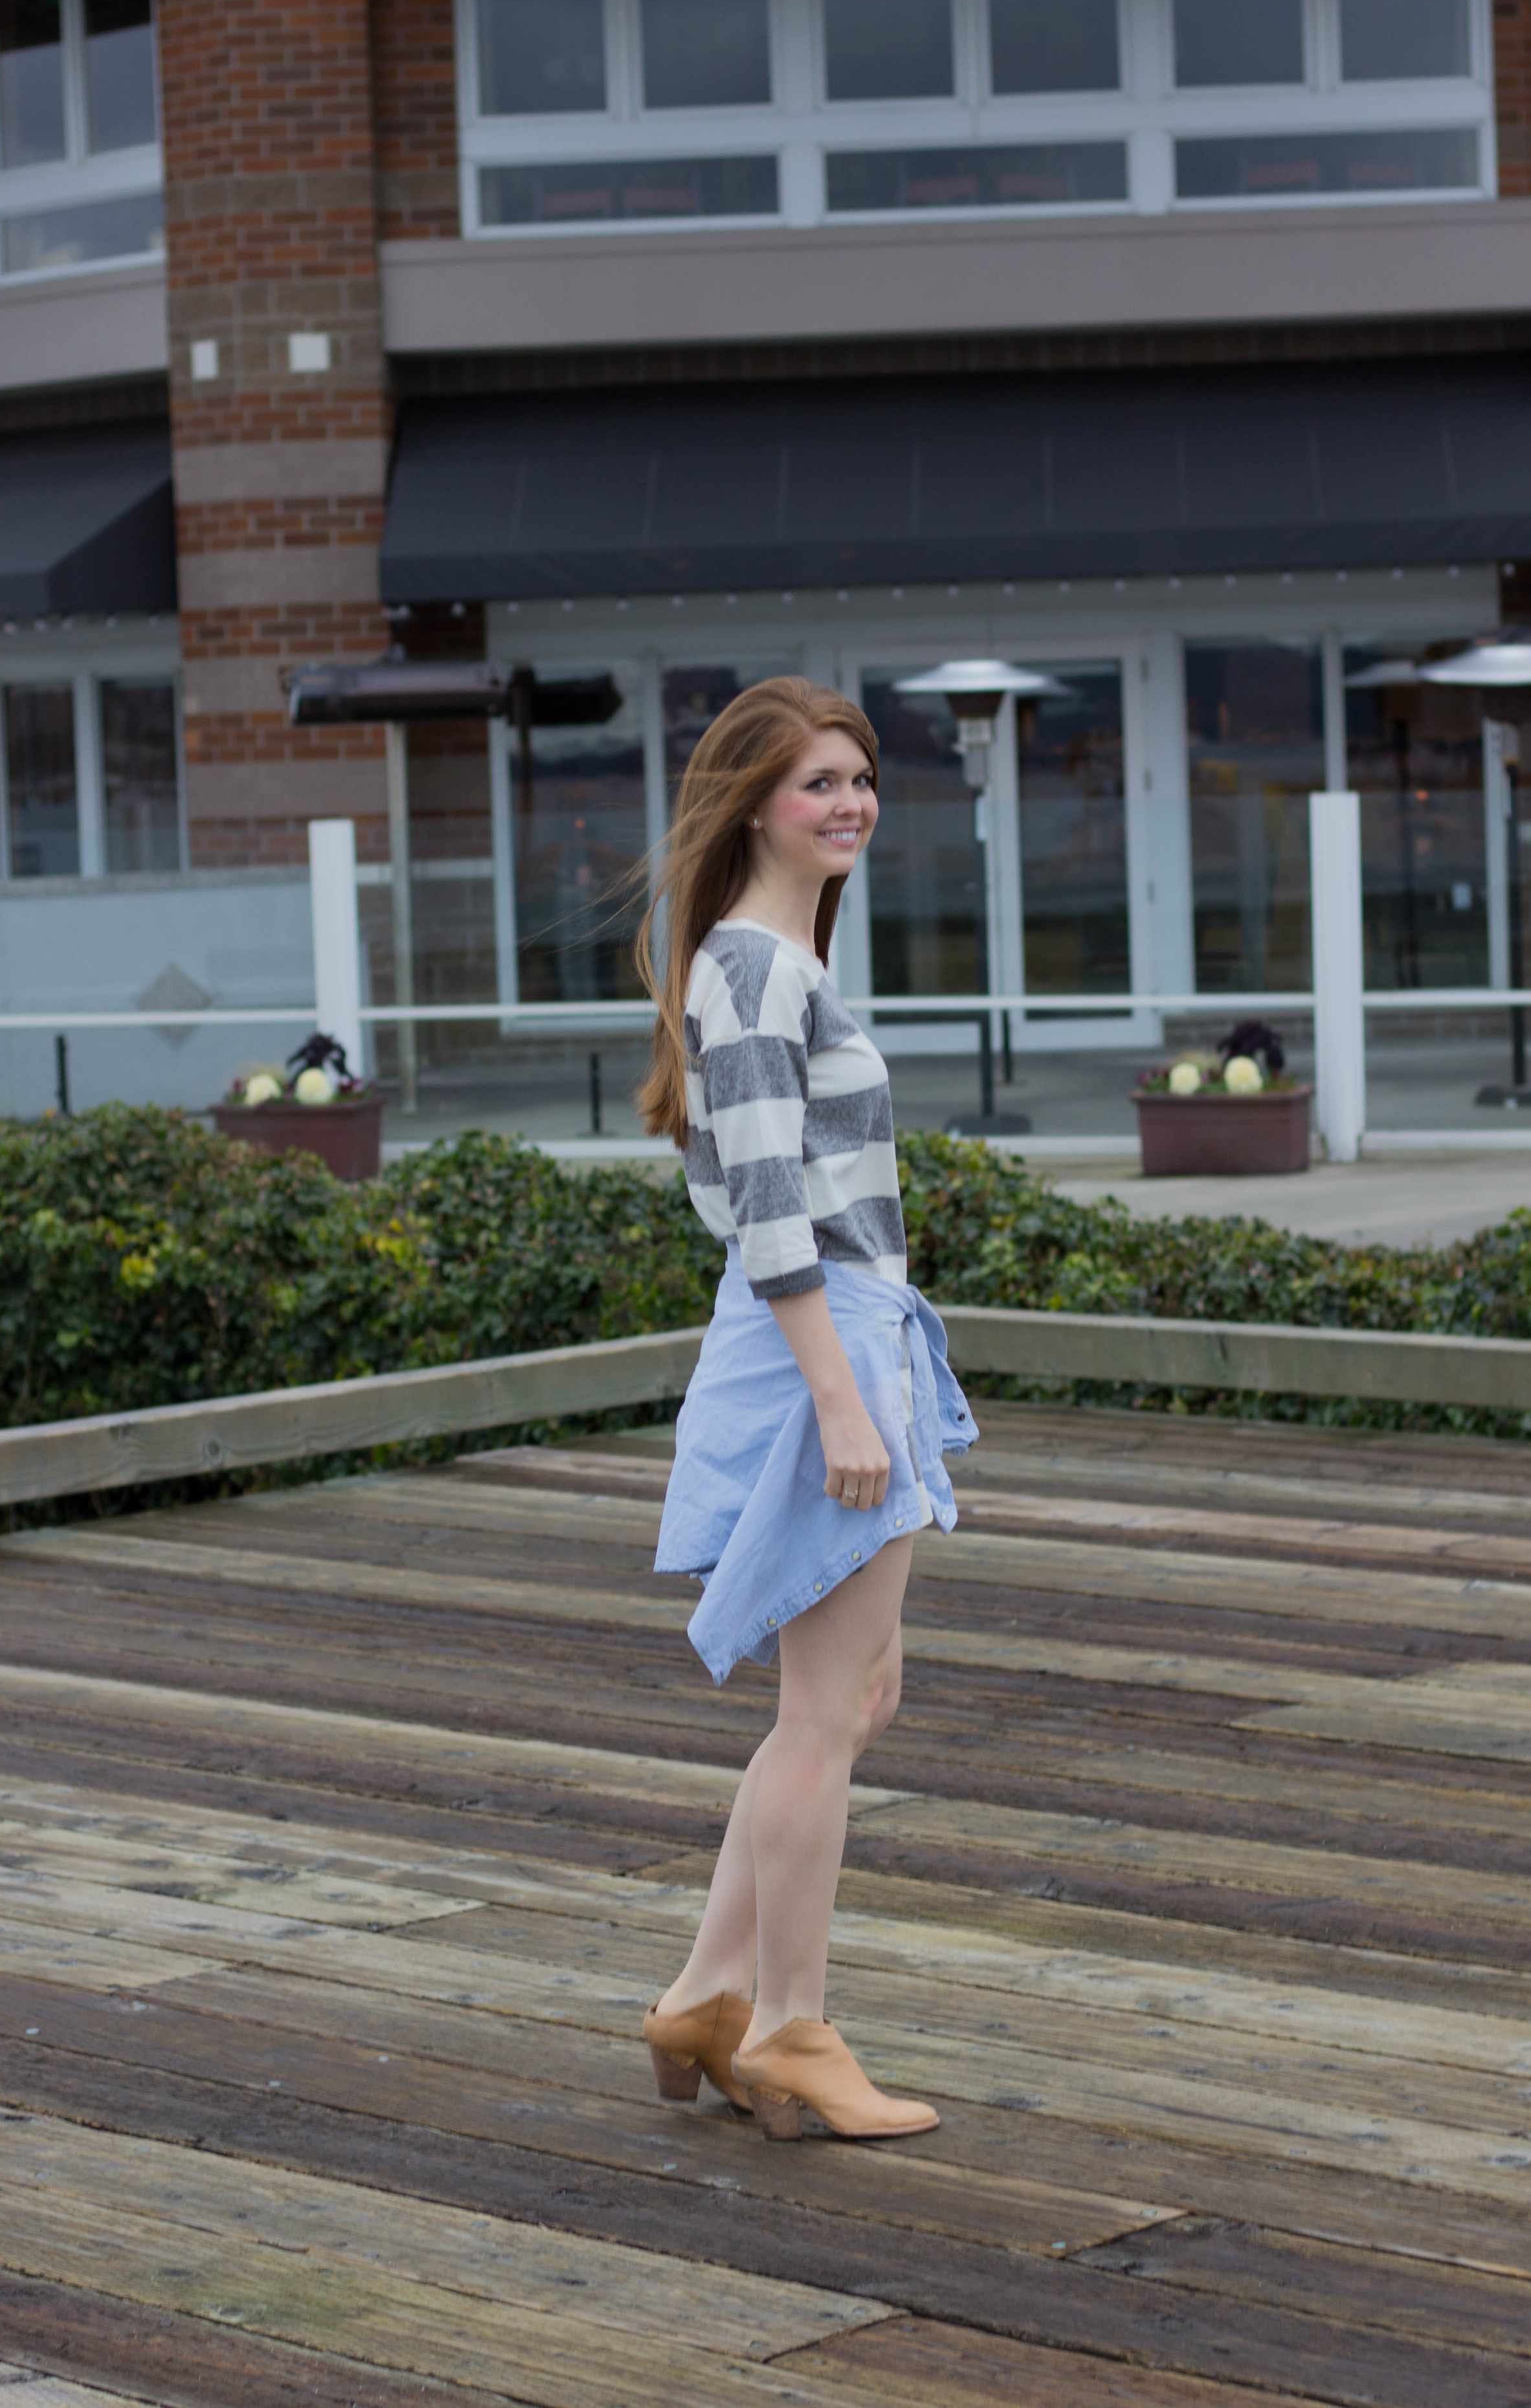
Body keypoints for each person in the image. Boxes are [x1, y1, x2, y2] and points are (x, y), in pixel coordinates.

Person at [634, 675, 977, 2143]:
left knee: (852, 1699)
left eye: (859, 780)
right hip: (820, 1336)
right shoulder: (756, 971)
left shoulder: (764, 959)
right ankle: (788, 2028)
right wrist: (847, 1409)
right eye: (816, 783)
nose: (848, 805)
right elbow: (774, 1217)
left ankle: (710, 1995)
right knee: (825, 1711)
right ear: (751, 803)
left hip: (836, 1331)